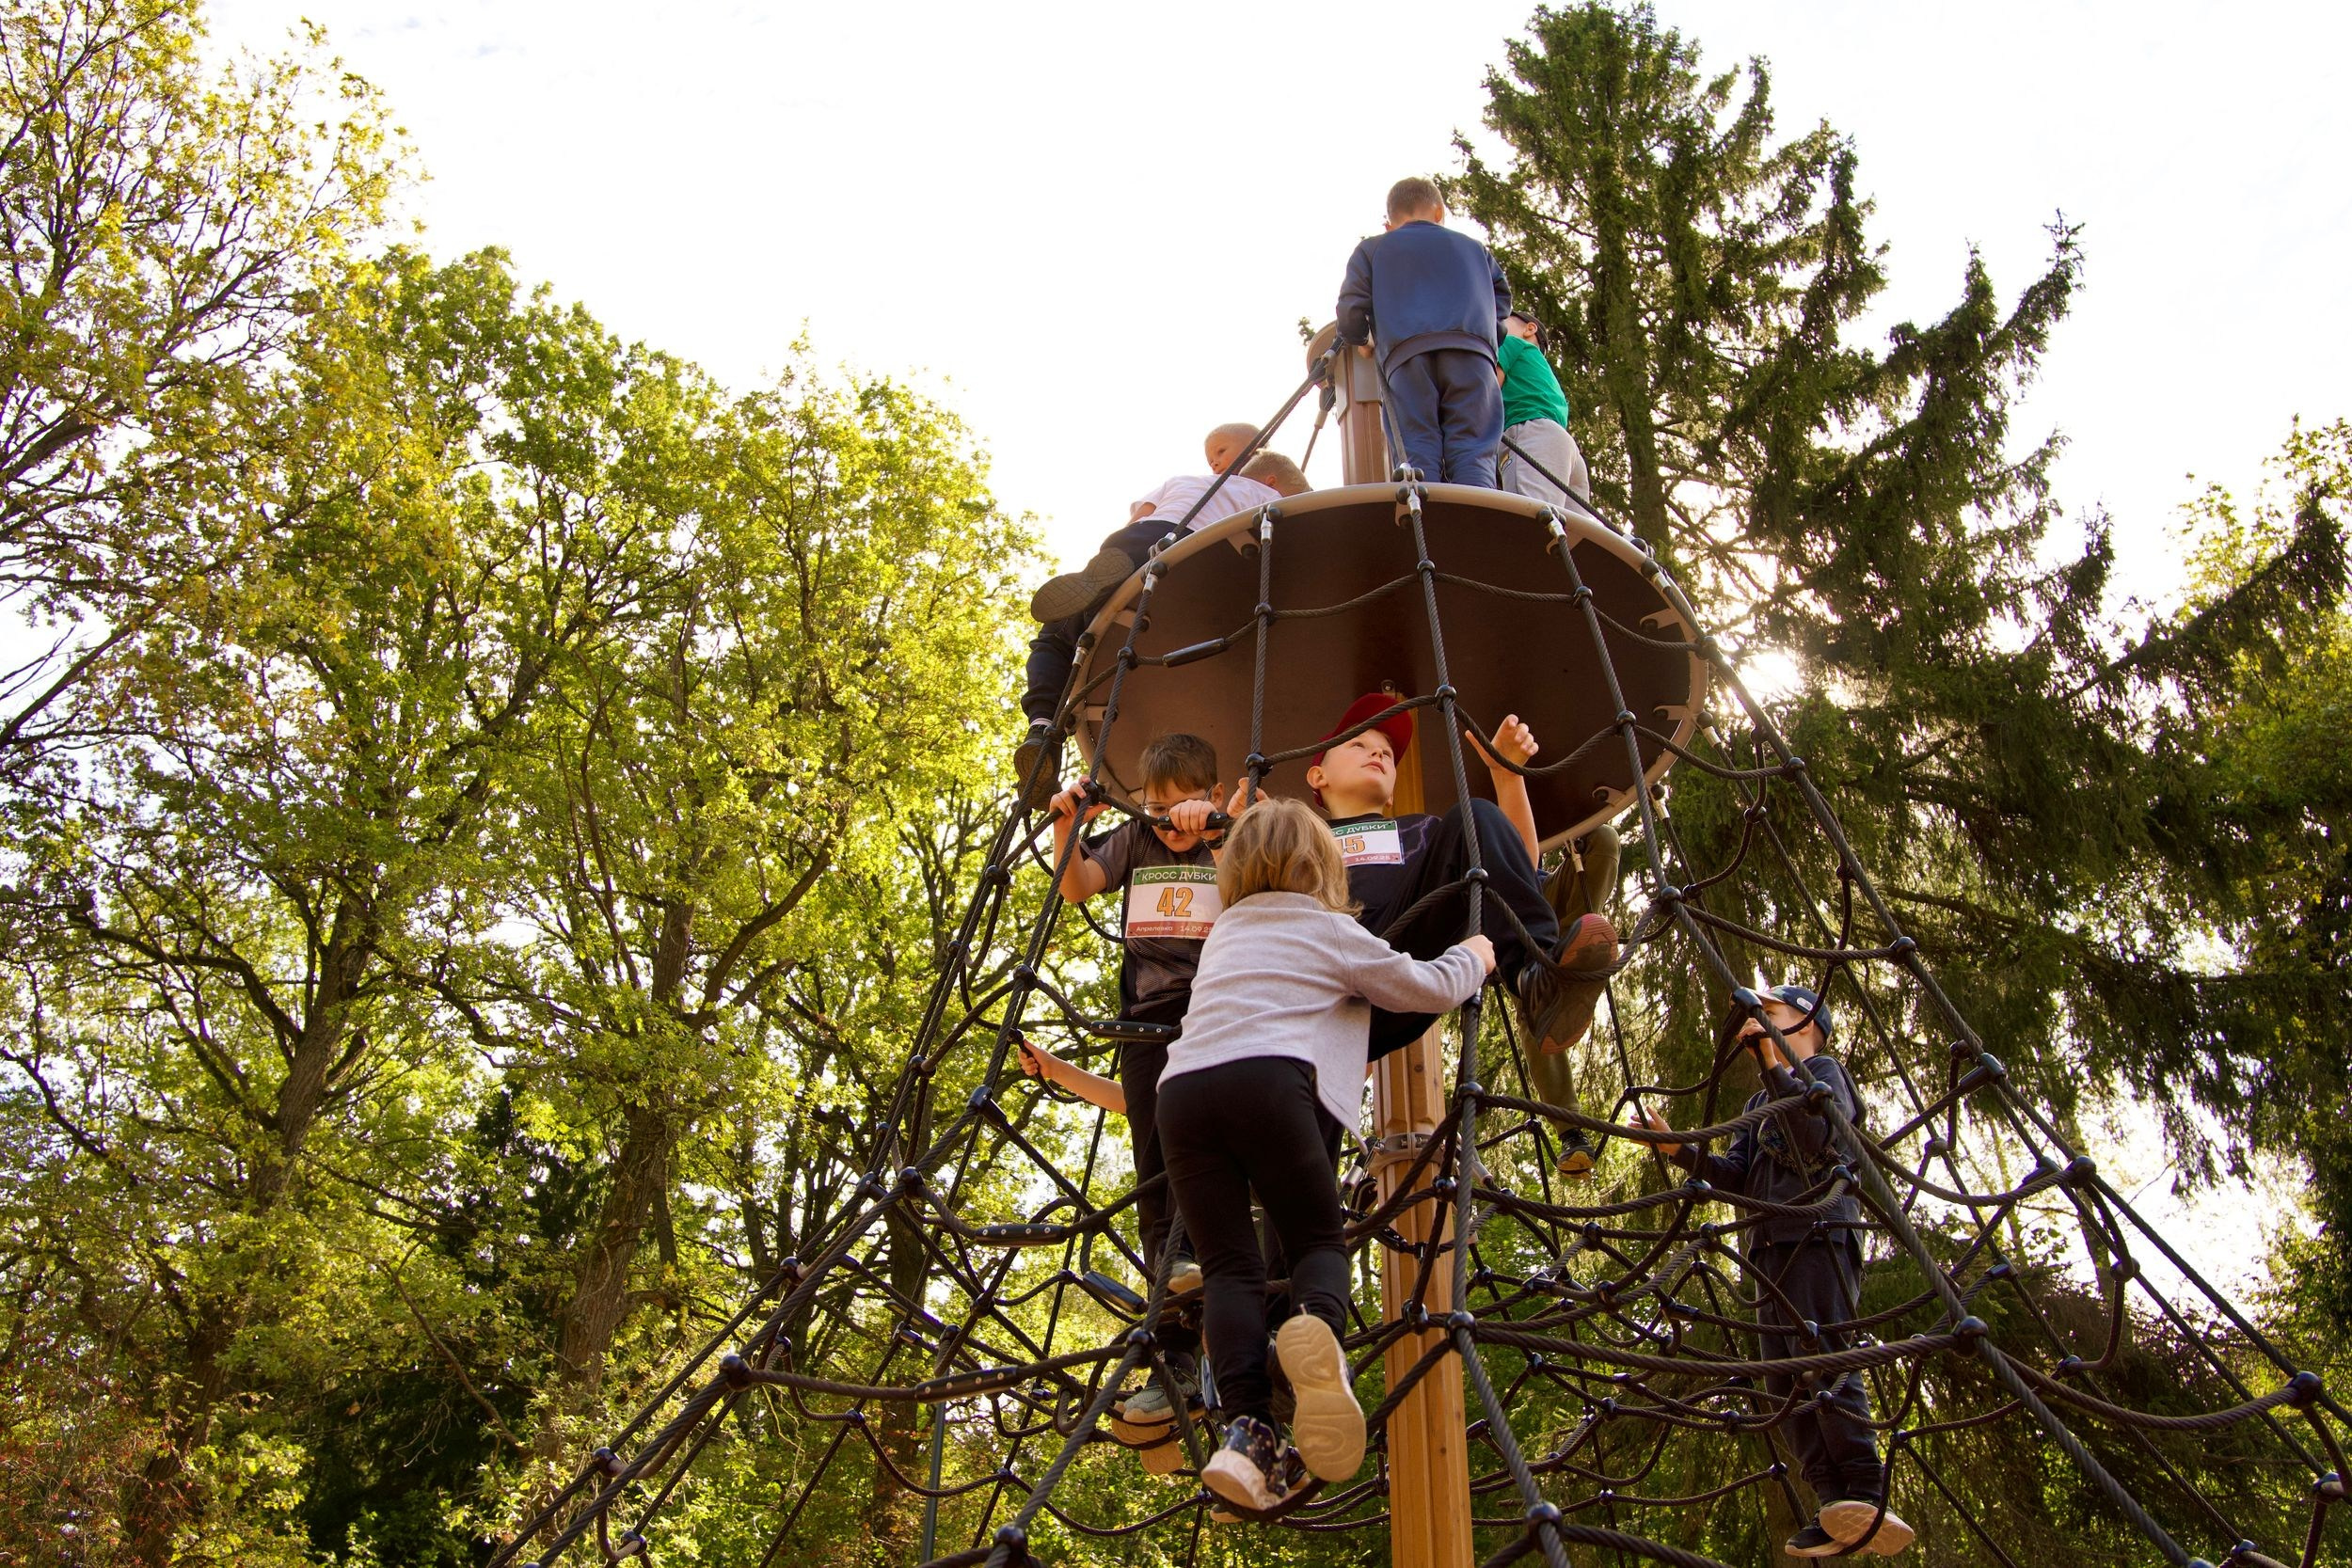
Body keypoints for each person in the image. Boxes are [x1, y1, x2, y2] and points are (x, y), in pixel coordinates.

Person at [1154, 798, 1494, 1512]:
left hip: (1180, 1094)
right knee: (1315, 1239)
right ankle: (1315, 1337)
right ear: (1323, 866)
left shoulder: (1225, 931)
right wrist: (1476, 955)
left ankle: (1247, 1433)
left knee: (1230, 1269)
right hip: (1268, 1082)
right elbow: (1423, 986)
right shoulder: (1328, 925)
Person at [1624, 986, 1915, 1559]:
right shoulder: (1758, 1103)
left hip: (1817, 1234)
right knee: (1783, 1379)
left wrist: (1768, 1059)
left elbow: (1815, 1137)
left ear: (1806, 1020)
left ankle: (1866, 1488)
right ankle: (1833, 1503)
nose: (1755, 1018)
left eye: (1770, 1011)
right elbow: (1734, 1175)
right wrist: (1675, 1146)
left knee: (1822, 1355)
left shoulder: (1825, 1073)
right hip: (1766, 1249)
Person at [1306, 693, 1617, 1176]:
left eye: (1387, 753)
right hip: (1326, 988)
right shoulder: (1302, 837)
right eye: (1359, 745)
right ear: (1318, 776)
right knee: (1301, 1159)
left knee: (1476, 818)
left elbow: (1514, 865)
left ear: (1391, 793)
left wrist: (1506, 775)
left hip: (1400, 958)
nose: (1379, 754)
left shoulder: (1419, 833)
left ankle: (1535, 978)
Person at [1041, 733, 1239, 1429]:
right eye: (1156, 807)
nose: (1168, 819)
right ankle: (1173, 1359)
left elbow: (1261, 887)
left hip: (1217, 1016)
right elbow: (1077, 886)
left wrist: (1220, 830)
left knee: (1214, 1164)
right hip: (1147, 1024)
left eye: (1183, 803)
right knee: (1155, 1172)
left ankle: (1241, 1350)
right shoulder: (1136, 839)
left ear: (1214, 795)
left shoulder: (1230, 838)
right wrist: (1068, 826)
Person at [1015, 429, 1307, 805]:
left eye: (1220, 451)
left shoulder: (1183, 480)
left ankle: (1042, 728)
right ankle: (1113, 577)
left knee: (1055, 640)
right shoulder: (1265, 496)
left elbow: (1139, 516)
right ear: (1274, 483)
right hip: (1190, 553)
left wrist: (1121, 554)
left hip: (1137, 543)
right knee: (1175, 573)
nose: (1214, 463)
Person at [1335, 177, 1510, 487]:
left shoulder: (1373, 249)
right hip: (1472, 355)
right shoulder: (1475, 249)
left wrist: (1363, 338)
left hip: (1406, 359)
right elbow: (1501, 302)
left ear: (1389, 224)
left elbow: (1349, 312)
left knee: (1416, 450)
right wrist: (1484, 338)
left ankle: (1422, 515)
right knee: (1473, 450)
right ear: (1439, 212)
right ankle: (1475, 513)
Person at [1496, 309, 1590, 506]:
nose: (1495, 327)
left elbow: (1488, 388)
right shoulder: (1541, 368)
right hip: (1564, 449)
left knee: (1527, 513)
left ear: (1530, 329)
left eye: (1502, 321)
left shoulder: (1510, 343)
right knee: (1569, 522)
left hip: (1531, 433)